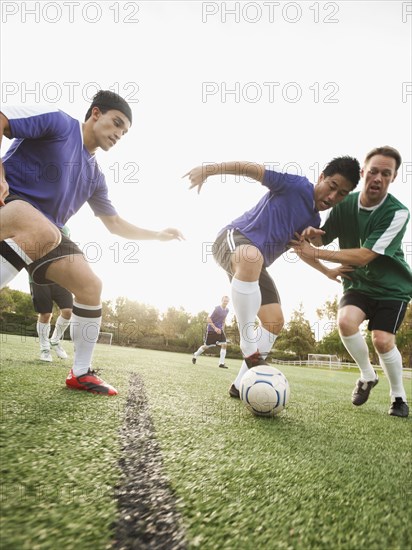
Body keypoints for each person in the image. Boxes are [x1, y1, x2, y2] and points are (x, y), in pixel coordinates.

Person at [0, 90, 183, 396]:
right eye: (116, 123)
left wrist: (157, 234)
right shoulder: (59, 123)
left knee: (89, 286)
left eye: (124, 133)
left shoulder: (95, 176)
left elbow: (114, 224)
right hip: (9, 202)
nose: (118, 134)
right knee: (45, 231)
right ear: (95, 113)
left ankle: (81, 373)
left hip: (47, 232)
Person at [184, 157, 360, 398]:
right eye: (331, 186)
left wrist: (326, 270)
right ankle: (248, 344)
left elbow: (301, 250)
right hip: (235, 240)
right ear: (321, 177)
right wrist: (209, 169)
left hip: (255, 265)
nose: (332, 197)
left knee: (275, 321)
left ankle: (241, 385)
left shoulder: (314, 220)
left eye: (341, 194)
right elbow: (251, 170)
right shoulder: (296, 185)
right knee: (250, 256)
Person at [290, 146, 411, 418]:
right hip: (357, 284)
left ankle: (398, 397)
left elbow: (366, 256)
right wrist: (312, 235)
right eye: (374, 171)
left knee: (382, 340)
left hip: (392, 288)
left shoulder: (398, 213)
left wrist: (317, 253)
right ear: (363, 173)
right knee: (345, 322)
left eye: (386, 174)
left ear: (392, 178)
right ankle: (367, 376)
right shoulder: (344, 203)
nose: (378, 178)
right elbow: (324, 236)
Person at [192, 295, 230, 368]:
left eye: (227, 301)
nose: (226, 302)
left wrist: (221, 328)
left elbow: (224, 320)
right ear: (221, 300)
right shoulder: (216, 309)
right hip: (211, 330)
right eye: (224, 300)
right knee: (207, 346)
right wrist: (215, 328)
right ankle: (195, 355)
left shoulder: (227, 310)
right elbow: (208, 319)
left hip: (219, 330)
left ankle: (221, 363)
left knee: (224, 344)